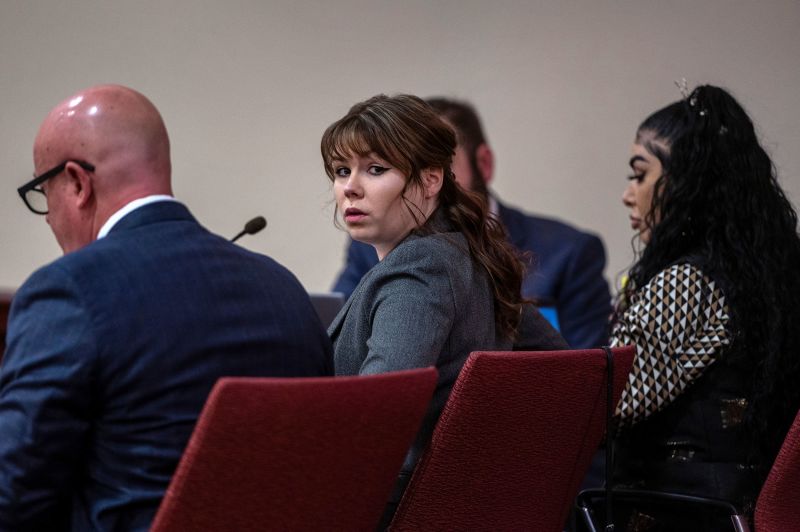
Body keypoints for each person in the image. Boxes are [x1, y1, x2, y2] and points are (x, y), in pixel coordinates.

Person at [0, 85, 333, 531]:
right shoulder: (282, 289)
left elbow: (13, 495)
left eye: (44, 192)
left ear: (78, 183)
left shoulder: (69, 290)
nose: (47, 217)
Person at [321, 94, 567, 523]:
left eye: (375, 170)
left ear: (432, 179)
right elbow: (565, 367)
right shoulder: (467, 252)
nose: (350, 187)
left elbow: (378, 415)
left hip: (393, 511)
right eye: (342, 171)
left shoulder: (421, 269)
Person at [609, 84, 800, 529]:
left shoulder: (687, 284)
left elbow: (604, 403)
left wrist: (519, 319)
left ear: (686, 182)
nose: (627, 194)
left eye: (639, 174)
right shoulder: (770, 275)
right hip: (740, 510)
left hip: (681, 516)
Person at [332, 97, 612, 348]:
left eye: (442, 166)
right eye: (342, 170)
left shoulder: (570, 252)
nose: (434, 180)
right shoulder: (370, 243)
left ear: (484, 164)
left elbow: (582, 375)